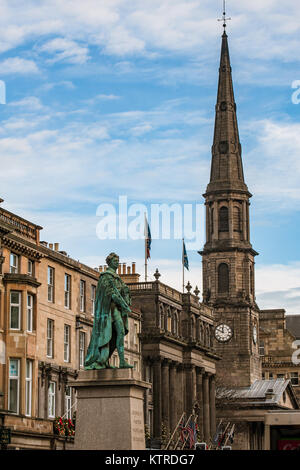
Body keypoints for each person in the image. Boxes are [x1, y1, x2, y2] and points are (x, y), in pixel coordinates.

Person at [84, 252, 133, 369]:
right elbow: (111, 294)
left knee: (120, 332)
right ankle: (106, 360)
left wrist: (126, 294)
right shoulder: (105, 276)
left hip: (116, 309)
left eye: (118, 260)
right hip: (109, 310)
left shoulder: (118, 279)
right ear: (109, 262)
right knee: (118, 331)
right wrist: (124, 305)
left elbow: (122, 294)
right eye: (115, 261)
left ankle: (120, 361)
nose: (117, 262)